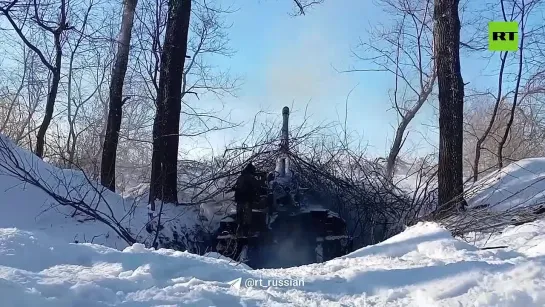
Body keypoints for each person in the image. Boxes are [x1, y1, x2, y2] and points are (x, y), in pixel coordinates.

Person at [234, 162, 261, 236]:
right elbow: (258, 186)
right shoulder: (250, 177)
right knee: (247, 216)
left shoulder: (240, 177)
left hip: (239, 199)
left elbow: (236, 187)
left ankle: (238, 231)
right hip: (246, 199)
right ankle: (247, 232)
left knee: (239, 215)